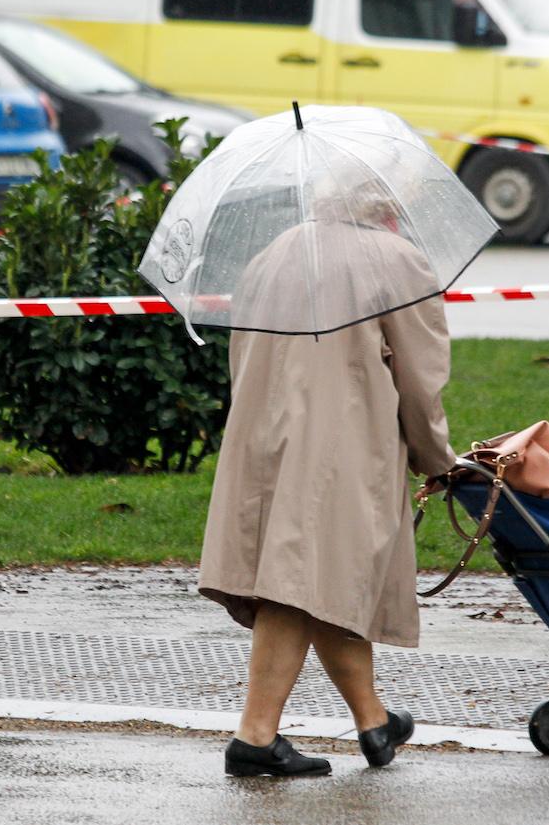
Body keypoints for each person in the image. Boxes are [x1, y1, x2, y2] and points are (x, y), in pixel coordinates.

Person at [199, 199, 456, 778]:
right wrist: (435, 456)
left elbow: (243, 354)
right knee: (300, 581)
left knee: (319, 578)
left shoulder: (274, 253)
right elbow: (421, 378)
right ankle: (256, 736)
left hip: (265, 436)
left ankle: (373, 722)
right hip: (341, 442)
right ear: (388, 201)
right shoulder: (396, 260)